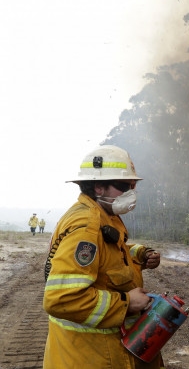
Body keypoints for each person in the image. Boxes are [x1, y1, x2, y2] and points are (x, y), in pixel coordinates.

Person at [42, 145, 164, 369]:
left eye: (133, 186)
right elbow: (61, 299)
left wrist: (141, 254)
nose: (131, 193)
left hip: (99, 351)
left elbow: (113, 253)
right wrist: (127, 303)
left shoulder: (106, 215)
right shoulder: (86, 226)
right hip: (90, 357)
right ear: (99, 187)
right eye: (124, 186)